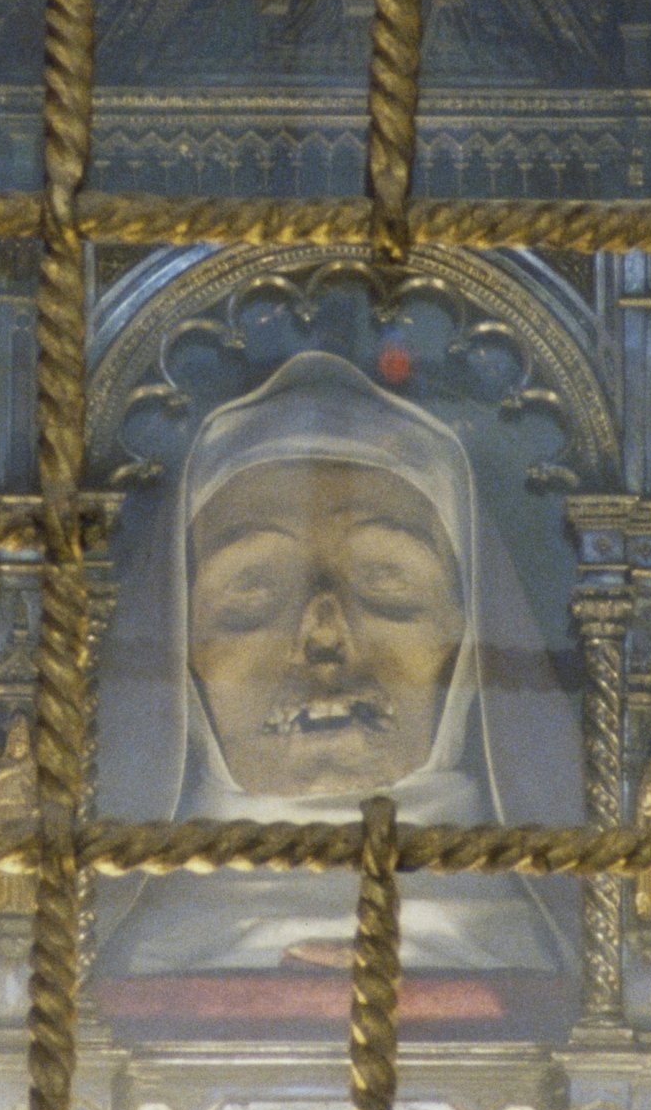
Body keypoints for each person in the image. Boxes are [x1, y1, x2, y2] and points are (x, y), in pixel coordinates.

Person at [95, 348, 578, 980]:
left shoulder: (583, 953)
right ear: (182, 639)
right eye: (254, 587)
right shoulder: (99, 960)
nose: (323, 634)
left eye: (384, 577)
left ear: (464, 631)